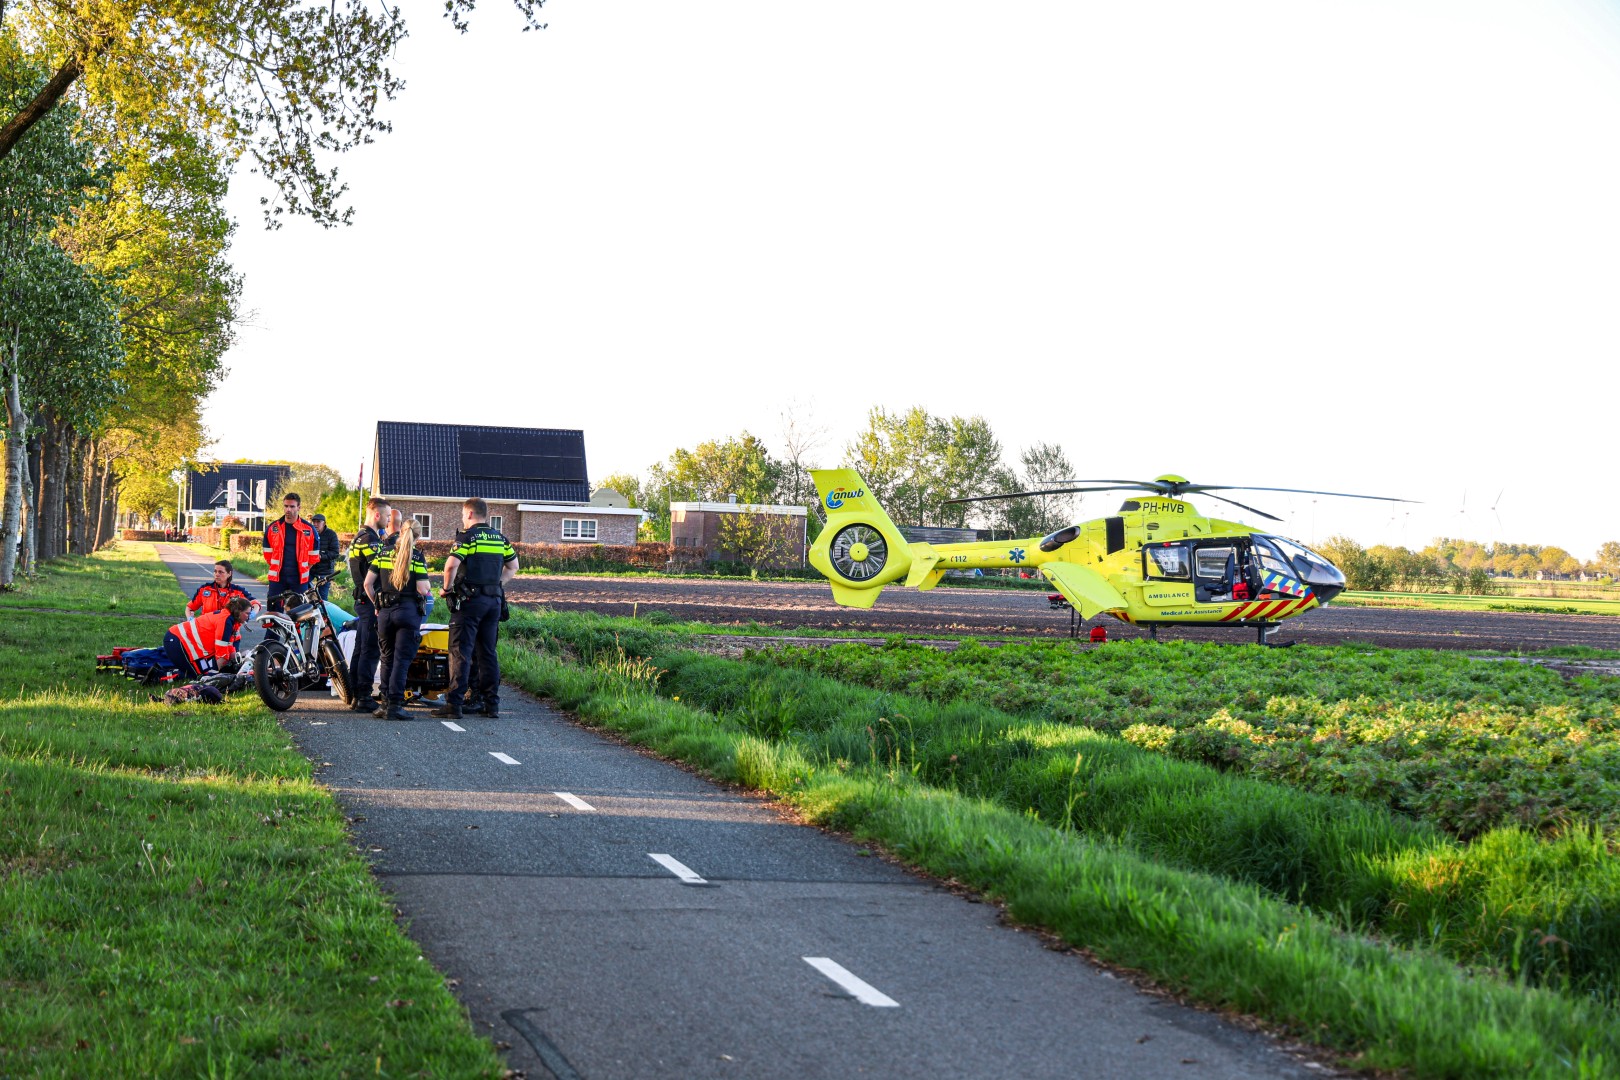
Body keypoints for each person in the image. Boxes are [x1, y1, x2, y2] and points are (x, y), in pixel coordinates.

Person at [433, 497, 518, 720]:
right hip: (494, 602)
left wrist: (446, 589)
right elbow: (513, 566)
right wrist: (496, 584)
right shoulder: (500, 538)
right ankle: (491, 704)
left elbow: (451, 564)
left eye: (463, 514)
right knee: (488, 652)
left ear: (469, 514)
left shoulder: (468, 537)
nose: (463, 518)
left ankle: (454, 705)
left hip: (470, 602)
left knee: (461, 651)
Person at [365, 519, 432, 722]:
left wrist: (377, 605)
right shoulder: (417, 557)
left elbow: (368, 584)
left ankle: (384, 704)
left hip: (385, 612)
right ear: (417, 537)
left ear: (400, 532)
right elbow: (423, 588)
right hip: (408, 612)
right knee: (401, 661)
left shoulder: (383, 553)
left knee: (386, 658)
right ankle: (395, 705)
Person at [344, 498, 395, 713]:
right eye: (387, 516)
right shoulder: (370, 541)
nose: (389, 519)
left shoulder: (360, 537)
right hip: (370, 601)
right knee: (370, 649)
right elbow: (382, 572)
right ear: (377, 515)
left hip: (362, 600)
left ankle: (357, 694)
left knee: (361, 648)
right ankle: (363, 695)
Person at [164, 596, 253, 678]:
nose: (248, 617)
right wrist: (218, 675)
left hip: (177, 639)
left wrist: (240, 659)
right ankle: (157, 676)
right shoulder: (225, 621)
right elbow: (221, 653)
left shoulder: (230, 620)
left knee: (201, 671)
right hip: (177, 640)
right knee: (196, 675)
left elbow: (229, 647)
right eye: (247, 613)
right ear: (238, 611)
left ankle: (163, 674)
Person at [264, 493, 319, 609]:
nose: (288, 509)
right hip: (277, 577)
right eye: (286, 506)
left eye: (292, 506)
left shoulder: (309, 529)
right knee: (273, 614)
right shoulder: (273, 528)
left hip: (299, 579)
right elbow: (268, 555)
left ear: (299, 507)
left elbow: (313, 557)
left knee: (300, 614)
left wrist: (303, 568)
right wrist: (277, 567)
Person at [187, 560, 261, 622]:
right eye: (215, 571)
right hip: (207, 629)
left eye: (220, 572)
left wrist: (252, 613)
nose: (217, 574)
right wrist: (190, 619)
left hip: (229, 631)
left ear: (229, 574)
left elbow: (255, 603)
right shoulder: (205, 589)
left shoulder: (238, 591)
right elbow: (190, 607)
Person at [309, 513, 341, 602]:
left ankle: (323, 614)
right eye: (314, 522)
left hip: (325, 570)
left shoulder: (331, 534)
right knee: (303, 590)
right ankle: (311, 608)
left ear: (324, 523)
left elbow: (335, 553)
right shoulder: (309, 533)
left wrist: (321, 556)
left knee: (323, 598)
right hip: (310, 568)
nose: (315, 524)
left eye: (318, 522)